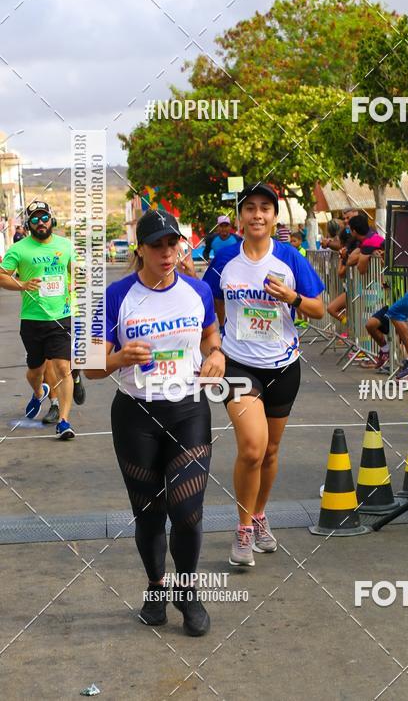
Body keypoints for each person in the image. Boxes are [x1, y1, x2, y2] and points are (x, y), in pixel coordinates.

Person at [85, 208, 224, 636]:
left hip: (187, 411)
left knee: (187, 513)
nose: (167, 253)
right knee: (149, 515)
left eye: (172, 244)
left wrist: (217, 355)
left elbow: (210, 335)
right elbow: (89, 366)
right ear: (140, 249)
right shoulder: (115, 295)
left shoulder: (197, 291)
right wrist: (118, 358)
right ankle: (156, 587)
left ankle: (187, 593)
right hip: (136, 415)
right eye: (157, 245)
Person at [203, 183, 324, 568]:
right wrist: (214, 347)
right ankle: (241, 529)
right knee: (253, 447)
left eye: (265, 208)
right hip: (238, 365)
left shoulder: (291, 257)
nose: (257, 215)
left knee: (271, 450)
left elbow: (319, 309)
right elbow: (209, 303)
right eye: (250, 208)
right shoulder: (224, 258)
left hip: (283, 365)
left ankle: (258, 515)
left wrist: (293, 299)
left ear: (274, 217)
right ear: (240, 217)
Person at [0, 201, 77, 437]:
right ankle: (38, 392)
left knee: (63, 367)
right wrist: (21, 284)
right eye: (34, 219)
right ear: (28, 224)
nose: (40, 223)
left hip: (61, 316)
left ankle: (64, 421)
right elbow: (2, 276)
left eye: (44, 218)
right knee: (35, 370)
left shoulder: (66, 246)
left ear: (51, 220)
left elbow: (78, 272)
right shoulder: (20, 249)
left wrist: (75, 286)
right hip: (32, 319)